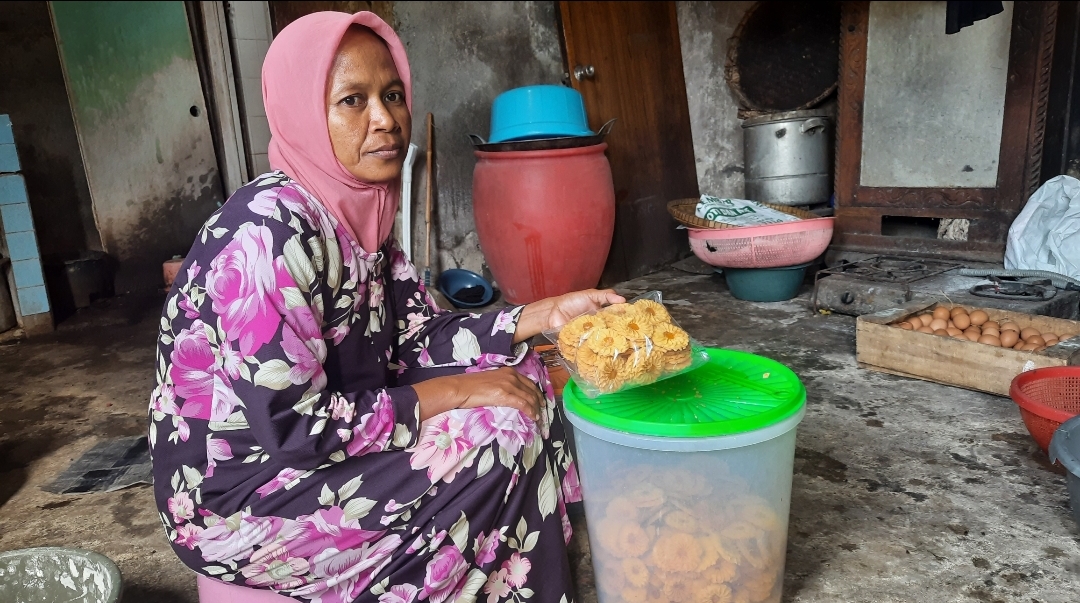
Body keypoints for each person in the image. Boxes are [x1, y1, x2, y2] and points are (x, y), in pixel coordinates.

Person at [148, 11, 622, 603]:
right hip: (242, 495)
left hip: (318, 447)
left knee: (529, 374)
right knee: (494, 432)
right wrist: (461, 393)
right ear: (303, 114)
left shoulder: (360, 218)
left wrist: (542, 315)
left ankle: (524, 581)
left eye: (392, 94)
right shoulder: (266, 237)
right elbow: (297, 430)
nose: (386, 120)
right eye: (352, 100)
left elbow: (417, 335)